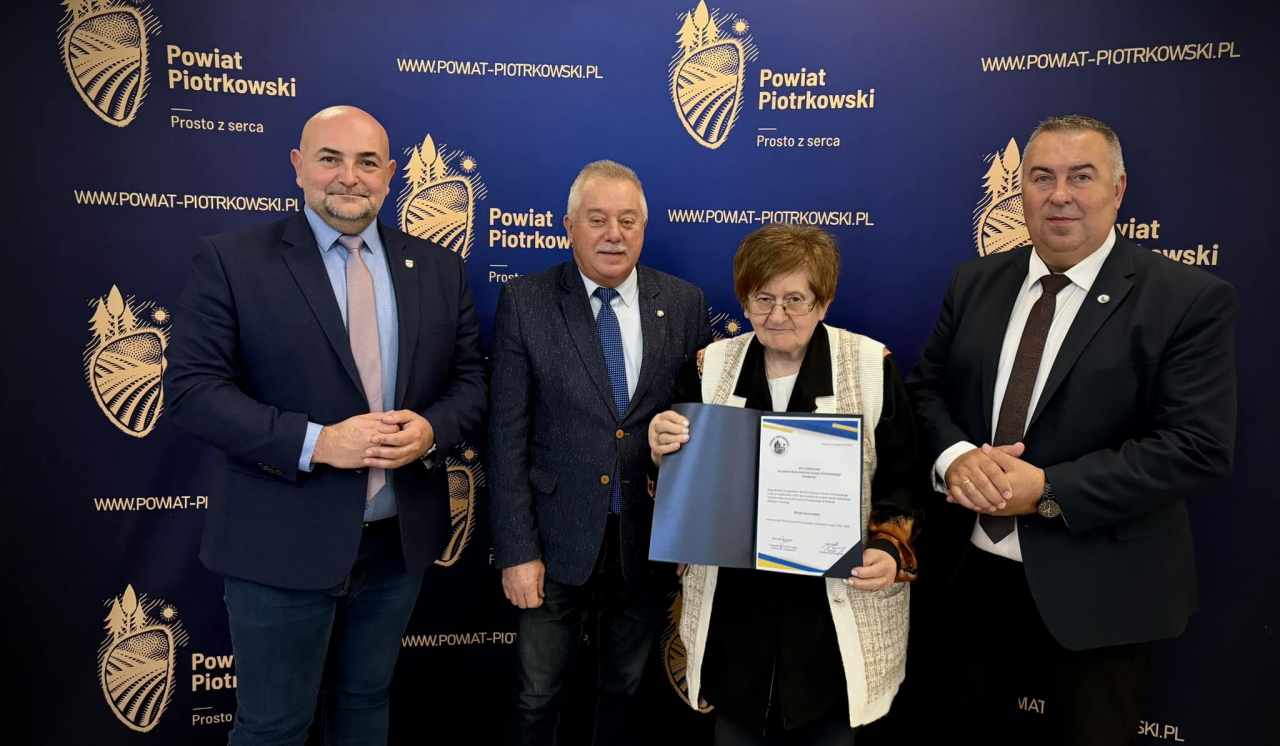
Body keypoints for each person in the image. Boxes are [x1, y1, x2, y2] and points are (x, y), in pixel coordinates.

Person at [905, 115, 1236, 745]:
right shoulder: (974, 281)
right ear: (1021, 190)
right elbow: (926, 389)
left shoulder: (1187, 299)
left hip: (1103, 589)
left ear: (1118, 189)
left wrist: (1048, 489)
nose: (1060, 195)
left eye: (1081, 177)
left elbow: (1197, 447)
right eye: (1042, 177)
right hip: (967, 578)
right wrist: (955, 458)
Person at [164, 106, 488, 746]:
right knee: (273, 727)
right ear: (298, 167)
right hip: (278, 542)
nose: (349, 177)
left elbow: (471, 382)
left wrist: (431, 429)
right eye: (330, 159)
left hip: (396, 544)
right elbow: (193, 393)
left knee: (364, 706)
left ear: (390, 174)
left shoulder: (438, 268)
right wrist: (319, 443)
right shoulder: (232, 261)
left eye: (367, 163)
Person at [649, 223, 923, 745]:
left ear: (824, 302)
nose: (777, 316)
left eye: (795, 299)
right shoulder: (710, 367)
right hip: (737, 616)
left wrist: (891, 547)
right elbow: (680, 491)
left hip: (830, 619)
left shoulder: (870, 366)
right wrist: (661, 453)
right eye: (763, 299)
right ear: (744, 301)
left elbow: (904, 478)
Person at [487, 160, 712, 745]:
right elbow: (506, 437)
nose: (614, 234)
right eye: (598, 219)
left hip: (646, 541)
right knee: (537, 695)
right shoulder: (526, 301)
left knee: (625, 691)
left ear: (643, 227)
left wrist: (691, 536)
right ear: (569, 226)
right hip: (552, 541)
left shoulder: (684, 303)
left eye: (628, 220)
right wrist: (517, 551)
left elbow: (697, 428)